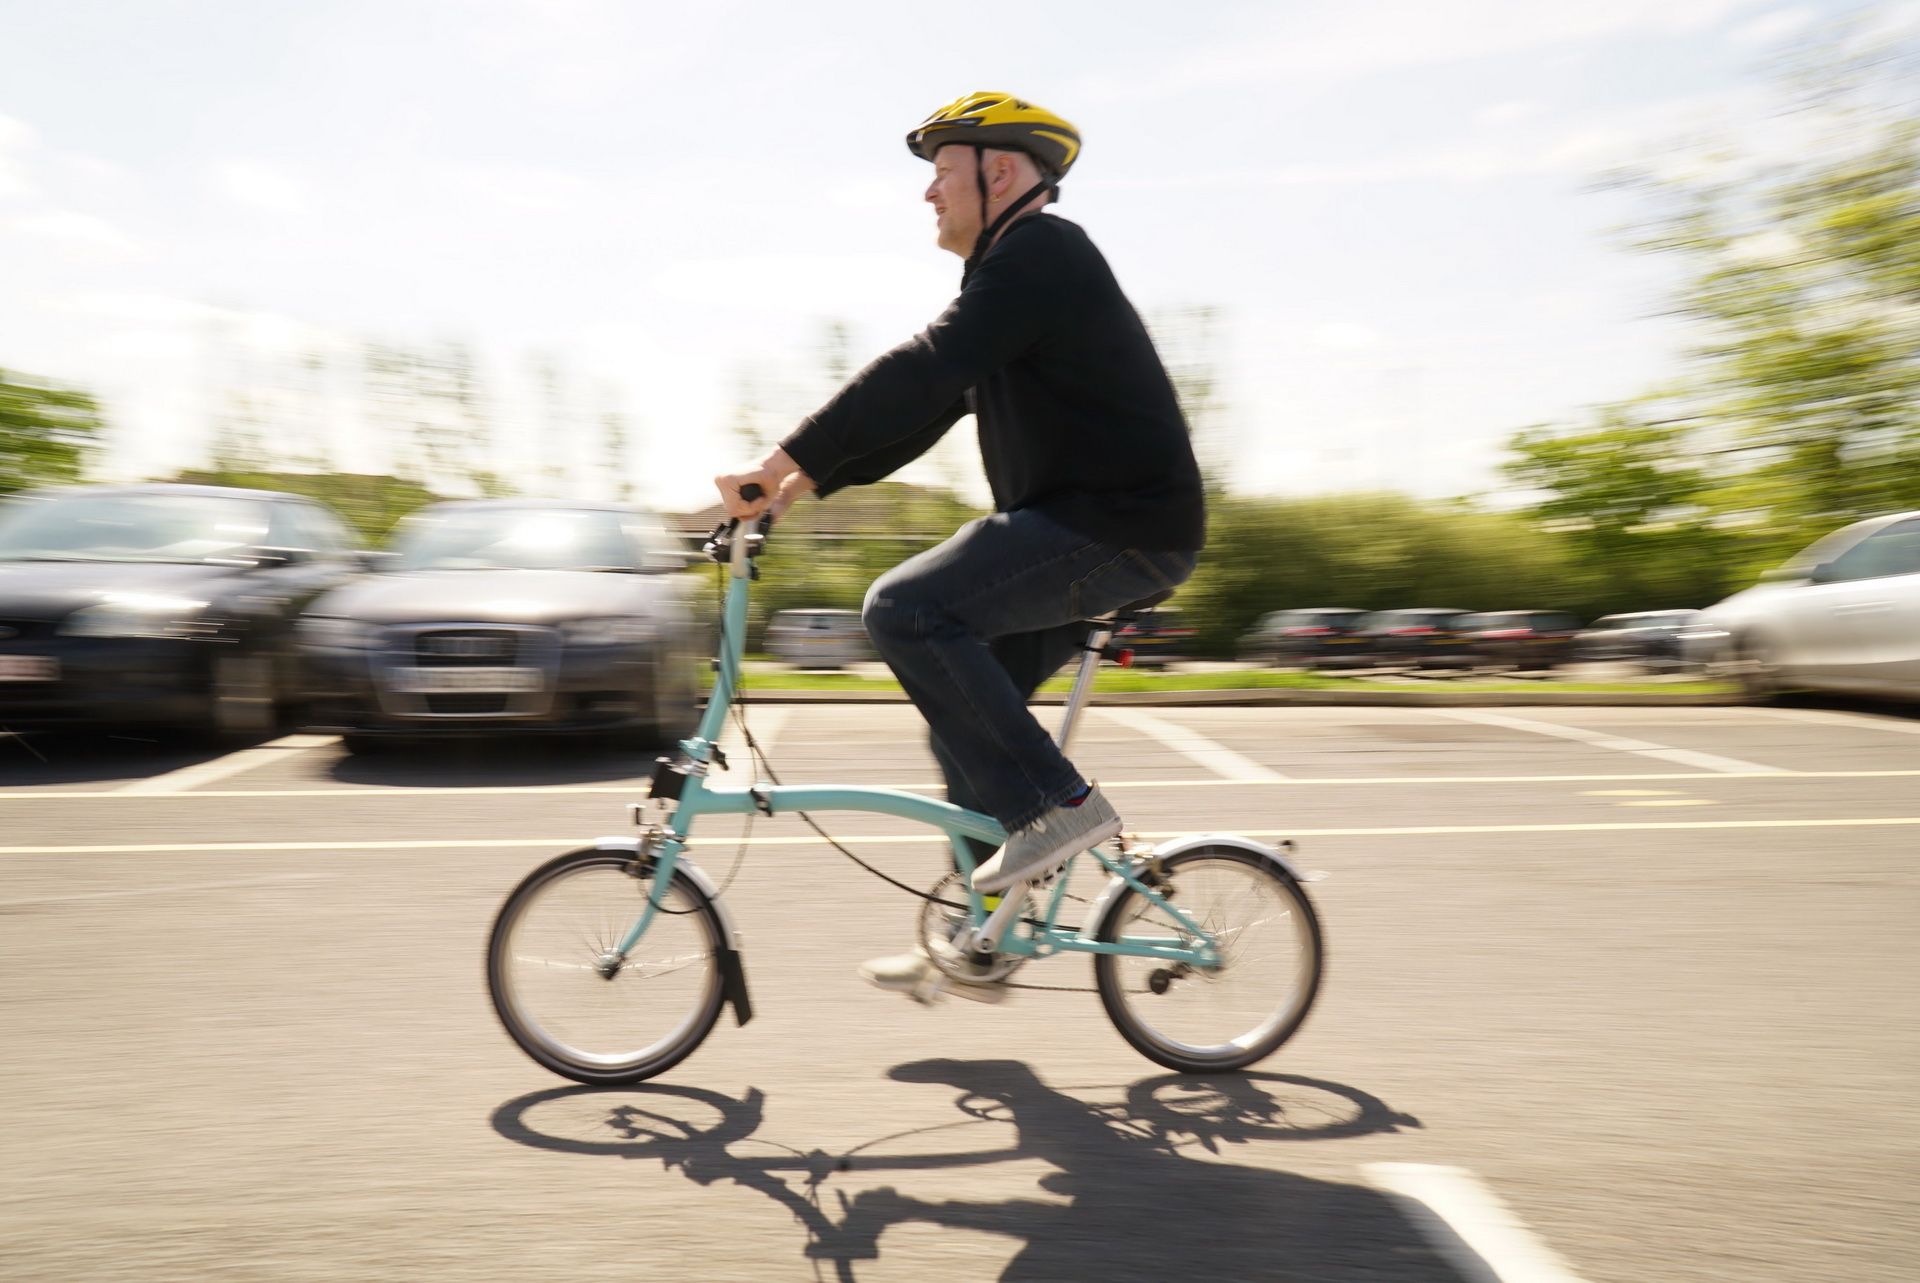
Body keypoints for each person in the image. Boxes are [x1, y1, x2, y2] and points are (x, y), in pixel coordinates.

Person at [714, 92, 1205, 1001]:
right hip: (1087, 533)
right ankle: (986, 940)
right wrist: (794, 489)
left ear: (1002, 172)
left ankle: (1057, 809)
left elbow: (923, 365)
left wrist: (774, 456)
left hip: (1118, 530)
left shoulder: (1044, 254)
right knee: (967, 730)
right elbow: (926, 410)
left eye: (942, 174)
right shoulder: (1010, 288)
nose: (929, 195)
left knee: (905, 607)